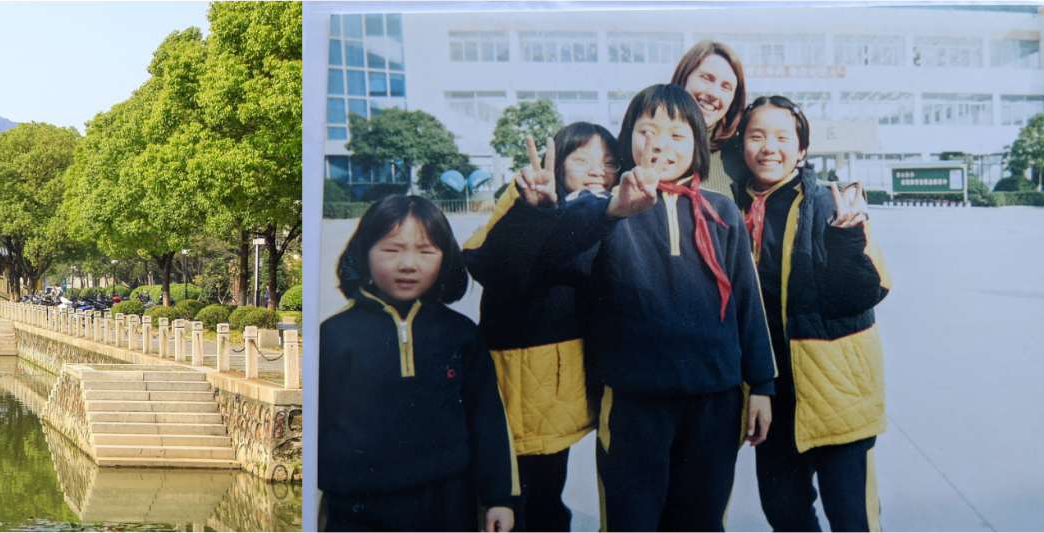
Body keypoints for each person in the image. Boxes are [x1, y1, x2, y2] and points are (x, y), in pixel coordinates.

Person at [526, 84, 777, 531]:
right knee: (632, 521)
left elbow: (747, 302)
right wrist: (609, 213)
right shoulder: (602, 208)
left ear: (697, 145)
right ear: (629, 140)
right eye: (648, 131)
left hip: (715, 400)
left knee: (701, 520)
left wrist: (761, 384)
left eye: (678, 135)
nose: (662, 143)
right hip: (633, 404)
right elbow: (556, 261)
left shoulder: (722, 210)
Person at [734, 95, 891, 532]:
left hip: (836, 391)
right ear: (742, 146)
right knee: (785, 514)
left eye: (783, 137)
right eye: (757, 135)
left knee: (852, 517)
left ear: (801, 150)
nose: (769, 147)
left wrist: (846, 242)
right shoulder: (733, 208)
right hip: (772, 395)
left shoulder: (827, 204)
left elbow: (872, 288)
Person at [320, 195, 519, 532]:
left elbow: (488, 420)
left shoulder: (461, 334)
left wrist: (501, 498)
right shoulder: (335, 335)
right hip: (357, 505)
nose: (408, 264)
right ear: (363, 254)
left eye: (425, 251)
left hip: (447, 502)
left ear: (445, 258)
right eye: (392, 249)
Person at [462, 122, 619, 532]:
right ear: (559, 163)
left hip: (558, 384)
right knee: (512, 501)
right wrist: (532, 207)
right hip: (516, 377)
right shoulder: (540, 206)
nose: (597, 170)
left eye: (608, 162)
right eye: (581, 158)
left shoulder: (605, 213)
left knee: (546, 498)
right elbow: (481, 259)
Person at [670, 40, 749, 197]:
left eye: (726, 87)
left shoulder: (740, 156)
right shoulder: (646, 139)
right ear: (684, 77)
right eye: (706, 78)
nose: (714, 94)